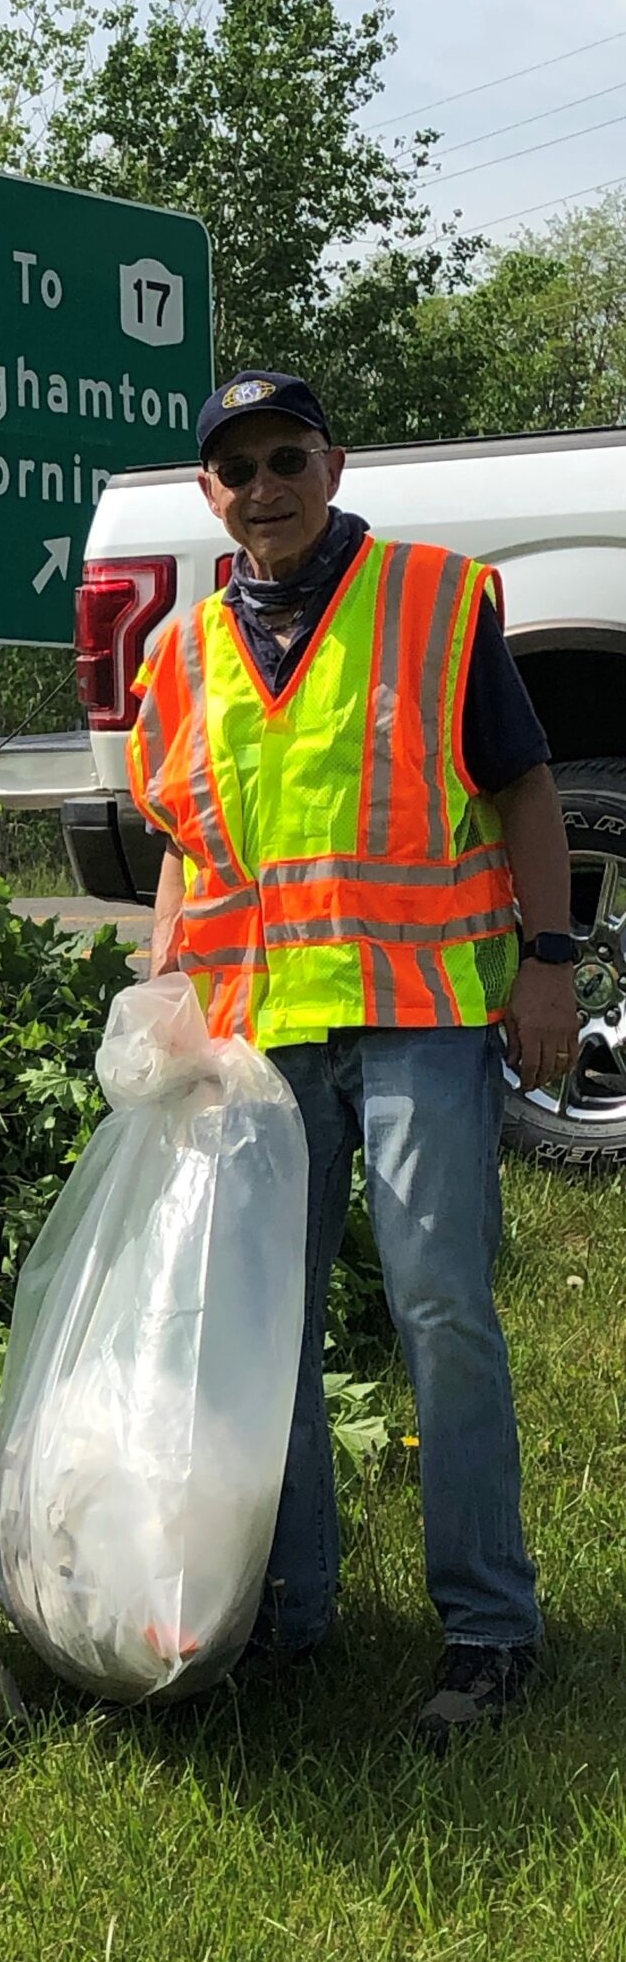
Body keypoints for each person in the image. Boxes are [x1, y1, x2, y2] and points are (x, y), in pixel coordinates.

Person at [128, 371, 575, 1750]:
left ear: (333, 465)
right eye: (238, 469)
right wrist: (163, 990)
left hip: (418, 1009)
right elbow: (186, 844)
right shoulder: (183, 650)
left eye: (287, 460)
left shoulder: (432, 601)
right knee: (268, 1326)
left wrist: (551, 963)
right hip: (258, 1032)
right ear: (209, 492)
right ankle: (292, 1615)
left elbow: (524, 786)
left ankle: (490, 1628)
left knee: (442, 1307)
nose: (264, 488)